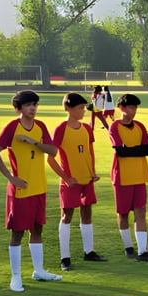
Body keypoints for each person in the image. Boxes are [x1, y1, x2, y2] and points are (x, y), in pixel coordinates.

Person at [0, 90, 62, 292]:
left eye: (35, 104)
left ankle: (38, 270)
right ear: (18, 108)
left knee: (37, 229)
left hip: (39, 187)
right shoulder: (12, 127)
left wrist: (34, 143)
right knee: (17, 233)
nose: (33, 108)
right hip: (21, 190)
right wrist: (11, 177)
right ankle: (16, 277)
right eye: (29, 105)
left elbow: (53, 151)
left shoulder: (40, 127)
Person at [47, 93, 108, 272]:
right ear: (68, 108)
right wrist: (66, 178)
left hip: (86, 180)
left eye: (84, 108)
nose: (83, 111)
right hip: (70, 183)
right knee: (66, 216)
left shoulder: (87, 129)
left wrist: (93, 172)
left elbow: (90, 152)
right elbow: (50, 159)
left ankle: (88, 251)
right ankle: (65, 258)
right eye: (80, 108)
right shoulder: (60, 129)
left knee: (87, 214)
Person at [108, 93, 148, 261]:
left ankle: (142, 251)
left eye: (135, 107)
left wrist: (131, 150)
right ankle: (128, 247)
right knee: (122, 214)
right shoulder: (114, 127)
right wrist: (136, 150)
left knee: (140, 212)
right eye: (131, 107)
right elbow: (120, 151)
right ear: (121, 108)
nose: (134, 110)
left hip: (140, 174)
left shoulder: (140, 126)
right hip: (122, 176)